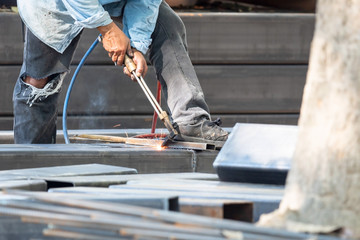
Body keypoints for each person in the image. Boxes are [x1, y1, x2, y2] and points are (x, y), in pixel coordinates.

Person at [14, 0, 229, 144]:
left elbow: (146, 2)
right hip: (54, 5)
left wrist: (136, 44)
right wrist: (107, 29)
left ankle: (190, 120)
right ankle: (30, 162)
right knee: (38, 85)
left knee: (168, 26)